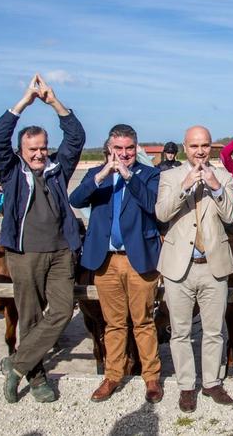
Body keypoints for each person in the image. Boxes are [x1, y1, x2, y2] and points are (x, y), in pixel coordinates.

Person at [0, 74, 85, 403]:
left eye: (43, 147)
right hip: (25, 253)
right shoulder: (11, 171)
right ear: (22, 150)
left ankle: (15, 364)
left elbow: (76, 137)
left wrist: (54, 101)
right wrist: (24, 102)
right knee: (29, 317)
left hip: (60, 253)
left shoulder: (59, 169)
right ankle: (37, 378)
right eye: (33, 149)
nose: (39, 154)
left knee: (61, 309)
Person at [69, 124, 163, 404]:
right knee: (113, 323)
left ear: (136, 148)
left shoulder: (149, 174)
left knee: (144, 321)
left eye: (129, 148)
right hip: (105, 260)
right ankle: (112, 376)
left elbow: (153, 205)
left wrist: (128, 176)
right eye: (118, 148)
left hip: (140, 259)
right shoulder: (96, 176)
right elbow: (75, 199)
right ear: (109, 149)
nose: (124, 154)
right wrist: (101, 175)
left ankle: (152, 378)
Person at [156, 125, 233, 413]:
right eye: (194, 146)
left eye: (204, 145)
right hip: (179, 266)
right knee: (180, 332)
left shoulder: (225, 176)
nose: (200, 151)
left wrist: (215, 186)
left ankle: (212, 382)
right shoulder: (169, 176)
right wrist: (184, 185)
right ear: (184, 147)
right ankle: (186, 386)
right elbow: (162, 213)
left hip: (213, 264)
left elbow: (231, 215)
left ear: (212, 146)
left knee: (214, 331)